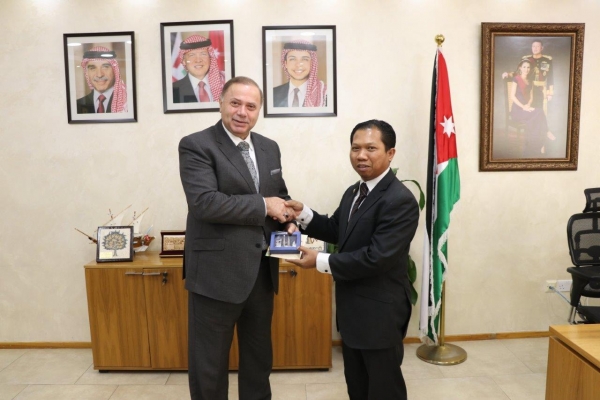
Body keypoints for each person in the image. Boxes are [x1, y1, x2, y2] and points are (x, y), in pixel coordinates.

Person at [179, 76, 296, 400]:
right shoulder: (196, 145)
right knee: (209, 365)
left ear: (259, 111)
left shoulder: (269, 147)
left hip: (261, 273)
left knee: (259, 360)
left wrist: (287, 218)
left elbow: (278, 194)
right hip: (215, 276)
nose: (243, 112)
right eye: (235, 103)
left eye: (251, 106)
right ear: (221, 104)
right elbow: (204, 202)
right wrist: (265, 206)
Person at [285, 120, 419, 400]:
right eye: (355, 148)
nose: (361, 155)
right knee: (357, 387)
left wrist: (320, 261)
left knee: (384, 390)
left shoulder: (399, 200)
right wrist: (303, 213)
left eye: (371, 148)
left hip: (380, 314)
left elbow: (377, 257)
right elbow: (337, 229)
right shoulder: (354, 191)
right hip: (353, 313)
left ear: (390, 153)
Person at [509, 60, 555, 156]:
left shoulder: (530, 81)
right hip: (517, 110)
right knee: (539, 114)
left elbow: (531, 97)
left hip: (526, 108)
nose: (526, 69)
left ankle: (537, 145)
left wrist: (528, 105)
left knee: (539, 113)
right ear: (520, 68)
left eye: (528, 67)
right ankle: (546, 132)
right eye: (524, 67)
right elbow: (512, 96)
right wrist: (523, 107)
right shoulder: (516, 79)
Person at [273, 40, 327, 107]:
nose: (298, 64)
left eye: (305, 59)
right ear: (285, 64)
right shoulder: (273, 94)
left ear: (312, 64)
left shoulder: (324, 94)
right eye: (292, 59)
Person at [173, 34, 225, 103]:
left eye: (203, 54)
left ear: (210, 57)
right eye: (192, 55)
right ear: (184, 61)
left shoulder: (224, 83)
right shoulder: (173, 90)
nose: (198, 60)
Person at [77, 46, 128, 114]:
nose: (99, 75)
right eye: (92, 68)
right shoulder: (77, 105)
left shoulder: (127, 103)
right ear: (87, 72)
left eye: (105, 67)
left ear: (114, 70)